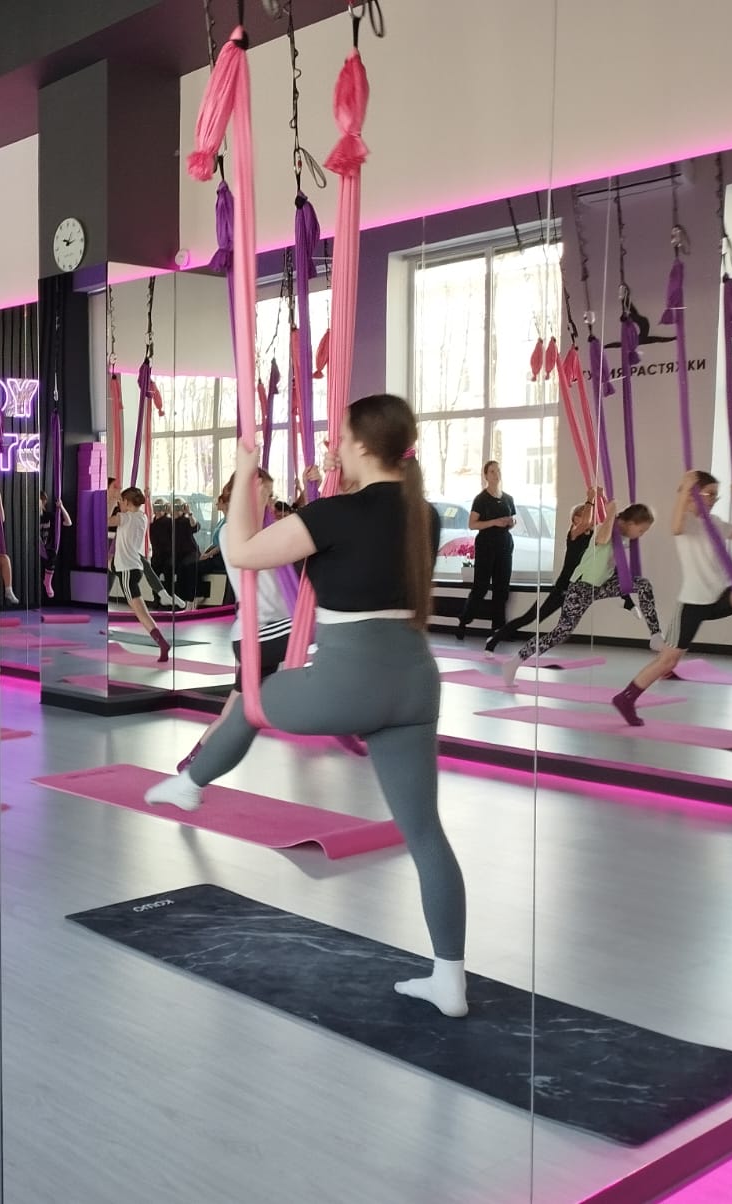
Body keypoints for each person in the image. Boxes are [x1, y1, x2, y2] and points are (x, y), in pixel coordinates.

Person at [144, 394, 469, 1018]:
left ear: (363, 445)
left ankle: (191, 783)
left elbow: (241, 551)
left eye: (340, 438)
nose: (333, 447)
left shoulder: (334, 514)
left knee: (254, 697)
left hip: (351, 682)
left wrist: (245, 471)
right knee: (425, 832)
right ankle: (449, 979)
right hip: (415, 683)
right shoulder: (422, 513)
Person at [610, 470, 732, 725]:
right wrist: (686, 488)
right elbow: (675, 527)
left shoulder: (716, 523)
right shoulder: (687, 521)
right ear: (692, 495)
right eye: (709, 494)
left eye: (716, 496)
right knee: (668, 661)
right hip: (693, 603)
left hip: (721, 596)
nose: (713, 500)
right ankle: (626, 698)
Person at [174, 466, 290, 770]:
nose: (270, 501)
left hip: (268, 630)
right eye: (265, 493)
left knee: (233, 712)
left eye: (271, 494)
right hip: (259, 633)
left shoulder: (264, 529)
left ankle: (193, 762)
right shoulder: (233, 531)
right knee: (323, 626)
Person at [499, 500, 660, 687]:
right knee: (561, 633)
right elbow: (601, 540)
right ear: (630, 523)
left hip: (601, 585)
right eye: (641, 530)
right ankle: (514, 662)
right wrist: (611, 514)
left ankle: (655, 635)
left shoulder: (622, 537)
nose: (641, 535)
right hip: (581, 587)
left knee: (643, 585)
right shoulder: (604, 528)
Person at [485, 492, 598, 652]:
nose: (589, 519)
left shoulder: (590, 535)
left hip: (577, 587)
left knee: (563, 626)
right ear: (575, 519)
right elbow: (586, 522)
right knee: (532, 618)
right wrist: (590, 499)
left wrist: (600, 498)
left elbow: (597, 522)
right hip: (564, 586)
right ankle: (494, 640)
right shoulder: (573, 533)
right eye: (583, 516)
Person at [109, 486, 173, 659]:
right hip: (134, 567)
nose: (119, 504)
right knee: (109, 562)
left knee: (141, 613)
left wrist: (111, 501)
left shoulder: (125, 518)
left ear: (127, 502)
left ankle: (162, 643)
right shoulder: (142, 517)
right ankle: (162, 642)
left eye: (121, 501)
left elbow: (106, 521)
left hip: (126, 570)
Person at [457, 460, 515, 642]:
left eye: (498, 470)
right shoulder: (481, 499)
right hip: (486, 545)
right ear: (486, 476)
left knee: (501, 588)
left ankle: (498, 629)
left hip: (504, 544)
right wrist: (494, 522)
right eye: (492, 471)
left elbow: (512, 519)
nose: (496, 474)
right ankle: (464, 621)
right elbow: (472, 524)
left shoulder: (508, 498)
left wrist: (511, 522)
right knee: (481, 587)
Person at [39, 489, 72, 598]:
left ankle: (47, 582)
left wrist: (61, 507)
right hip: (36, 547)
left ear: (43, 501)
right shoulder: (31, 516)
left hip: (46, 549)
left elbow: (68, 522)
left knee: (52, 554)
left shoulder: (48, 516)